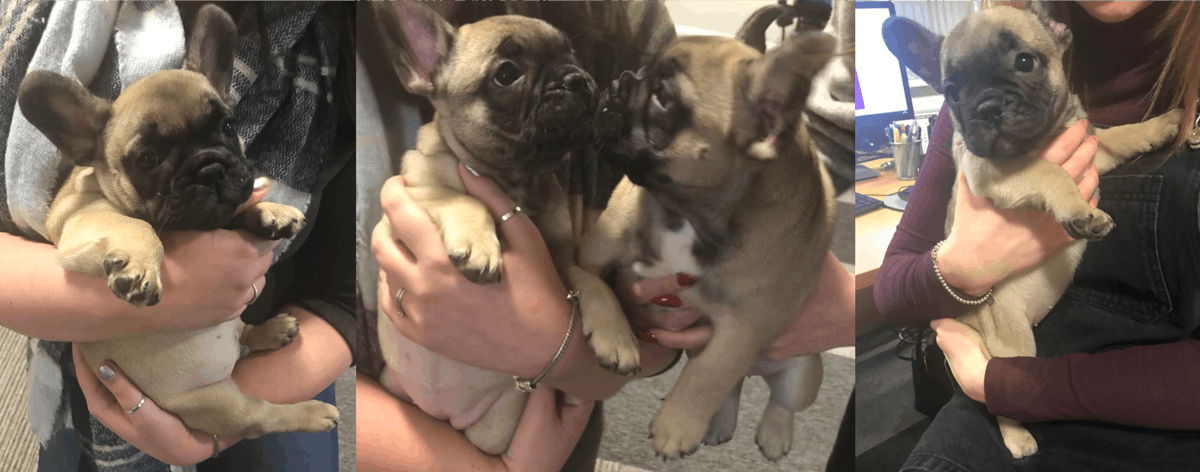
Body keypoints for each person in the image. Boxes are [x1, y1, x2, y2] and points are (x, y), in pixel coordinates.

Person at [355, 1, 856, 471]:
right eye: (508, 75)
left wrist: (568, 351)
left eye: (569, 59)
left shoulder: (617, 15)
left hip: (535, 429)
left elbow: (645, 335)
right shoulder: (332, 67)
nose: (572, 82)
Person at [0, 2, 355, 471]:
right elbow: (82, 233)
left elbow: (343, 297)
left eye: (223, 129)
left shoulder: (341, 41)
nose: (208, 171)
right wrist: (154, 290)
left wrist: (208, 437)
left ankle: (252, 344)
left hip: (275, 357)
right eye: (149, 159)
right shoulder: (39, 19)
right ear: (83, 144)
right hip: (96, 379)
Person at [873, 1, 1200, 470]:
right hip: (1005, 372)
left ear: (1056, 39)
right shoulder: (994, 41)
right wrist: (960, 267)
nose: (991, 105)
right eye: (957, 91)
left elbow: (1097, 145)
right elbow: (891, 287)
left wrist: (1011, 385)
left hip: (1153, 404)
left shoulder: (1034, 36)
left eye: (1023, 63)